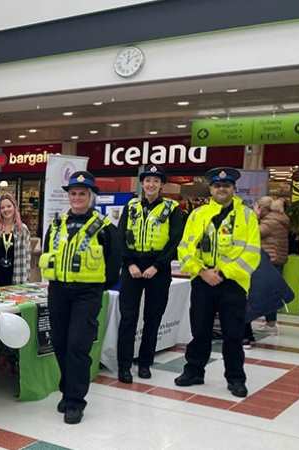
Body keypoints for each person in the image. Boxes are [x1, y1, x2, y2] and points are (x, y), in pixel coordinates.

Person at [38, 171, 122, 424]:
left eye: (82, 194)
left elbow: (114, 261)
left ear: (90, 196)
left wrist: (97, 286)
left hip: (87, 293)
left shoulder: (105, 226)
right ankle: (67, 391)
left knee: (78, 345)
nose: (77, 198)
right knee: (61, 344)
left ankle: (76, 401)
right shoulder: (56, 224)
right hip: (59, 291)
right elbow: (47, 251)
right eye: (73, 193)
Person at [176, 167, 261, 398]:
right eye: (217, 185)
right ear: (211, 189)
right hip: (203, 281)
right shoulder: (197, 215)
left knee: (233, 334)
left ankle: (235, 378)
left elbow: (252, 254)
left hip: (233, 284)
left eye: (226, 185)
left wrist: (222, 273)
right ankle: (194, 371)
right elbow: (184, 249)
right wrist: (202, 272)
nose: (221, 189)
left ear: (233, 188)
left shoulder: (247, 216)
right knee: (200, 330)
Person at [116, 165, 186, 383]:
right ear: (142, 183)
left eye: (156, 181)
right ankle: (124, 365)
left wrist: (157, 265)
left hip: (159, 269)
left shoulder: (172, 208)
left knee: (152, 318)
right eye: (147, 180)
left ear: (161, 185)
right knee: (128, 318)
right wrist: (129, 264)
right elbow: (120, 236)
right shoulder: (131, 206)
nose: (151, 184)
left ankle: (145, 363)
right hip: (132, 268)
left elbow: (176, 241)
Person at [256, 196, 290, 330]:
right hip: (276, 259)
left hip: (269, 259)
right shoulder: (279, 218)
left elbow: (255, 232)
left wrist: (255, 217)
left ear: (263, 209)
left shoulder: (269, 221)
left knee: (267, 292)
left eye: (258, 207)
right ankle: (270, 321)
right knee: (270, 291)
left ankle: (271, 323)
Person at [0, 192, 31, 287]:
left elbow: (27, 256)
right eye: (2, 208)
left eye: (9, 206)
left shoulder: (22, 229)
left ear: (14, 207)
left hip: (17, 278)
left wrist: (27, 277)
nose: (6, 210)